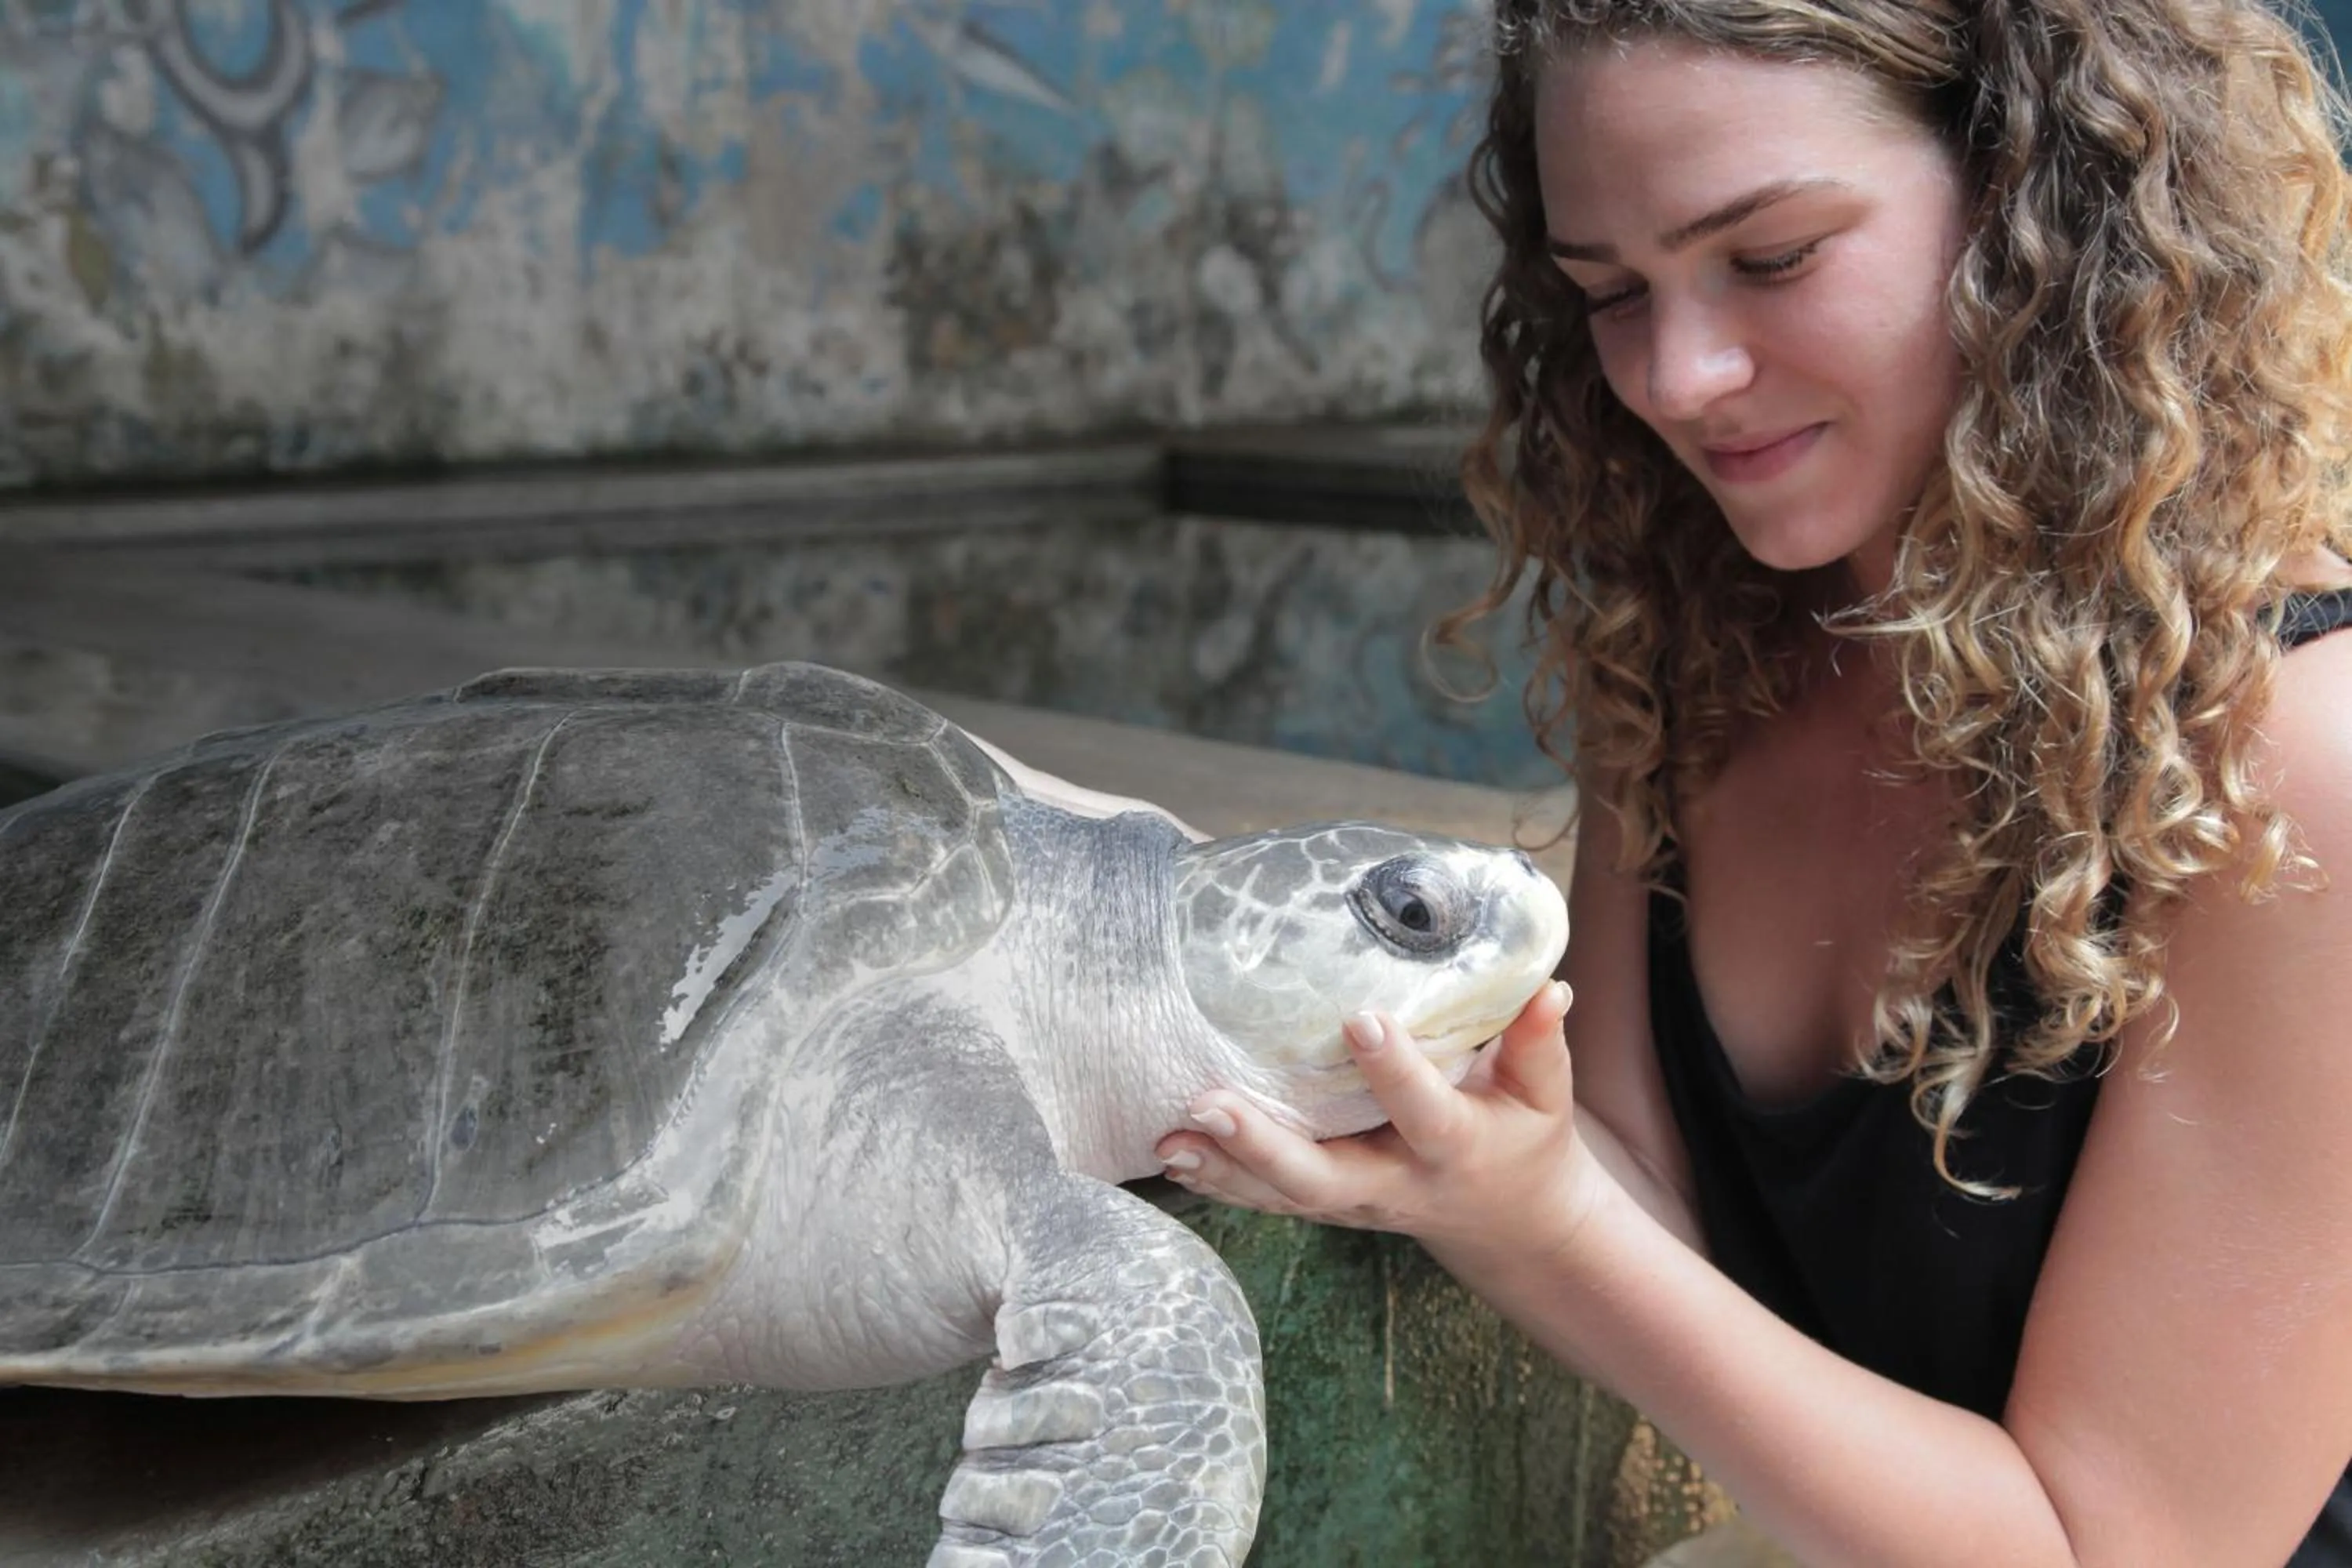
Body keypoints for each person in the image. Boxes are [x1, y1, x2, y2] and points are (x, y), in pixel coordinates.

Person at [1145, 2, 2352, 1562]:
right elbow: (1633, 1190)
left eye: (1771, 257)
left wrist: (1549, 1222)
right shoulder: (1691, 656)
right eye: (1607, 291)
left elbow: (2122, 1547)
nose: (1679, 376)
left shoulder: (2296, 759)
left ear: (2038, 201)